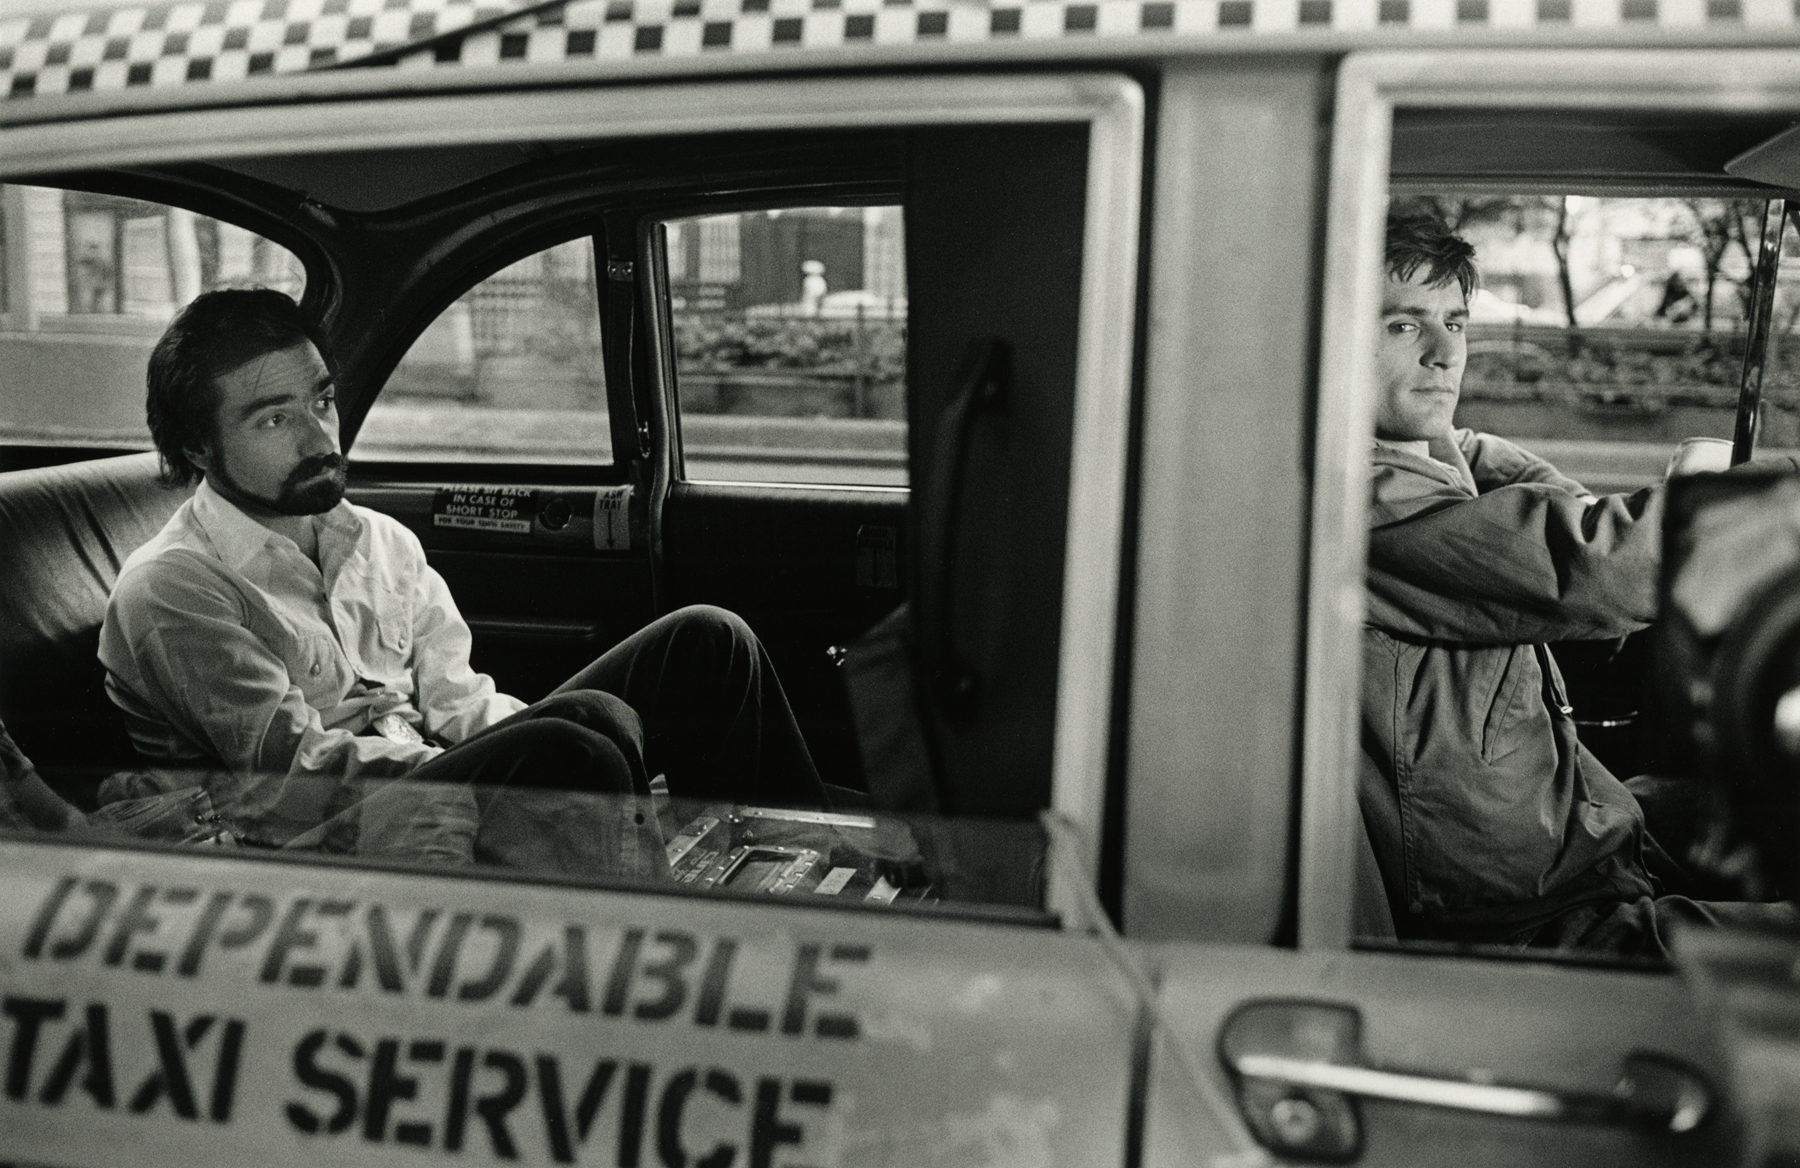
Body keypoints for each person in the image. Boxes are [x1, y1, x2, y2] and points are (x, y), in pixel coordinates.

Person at [98, 289, 830, 875]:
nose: (322, 439)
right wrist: (519, 761)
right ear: (198, 445)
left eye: (322, 402)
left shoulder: (380, 540)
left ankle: (824, 870)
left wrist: (525, 740)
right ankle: (660, 946)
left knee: (707, 642)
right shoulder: (173, 588)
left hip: (425, 780)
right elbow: (296, 773)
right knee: (580, 747)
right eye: (273, 421)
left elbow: (460, 700)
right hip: (313, 836)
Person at [1360, 211, 1793, 958]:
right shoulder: (1364, 499)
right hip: (1523, 918)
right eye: (1405, 326)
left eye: (1456, 323)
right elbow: (1590, 568)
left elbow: (1541, 493)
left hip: (1567, 842)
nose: (1442, 354)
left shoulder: (1430, 459)